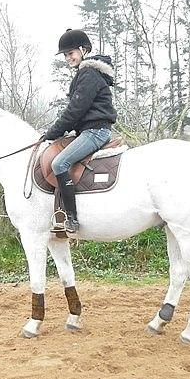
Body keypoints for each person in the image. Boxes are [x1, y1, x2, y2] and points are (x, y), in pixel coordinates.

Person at [40, 29, 117, 233]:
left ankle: (71, 218)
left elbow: (75, 110)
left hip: (95, 131)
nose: (68, 58)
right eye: (65, 55)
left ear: (83, 50)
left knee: (59, 162)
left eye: (71, 53)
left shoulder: (88, 74)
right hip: (88, 130)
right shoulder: (85, 74)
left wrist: (53, 132)